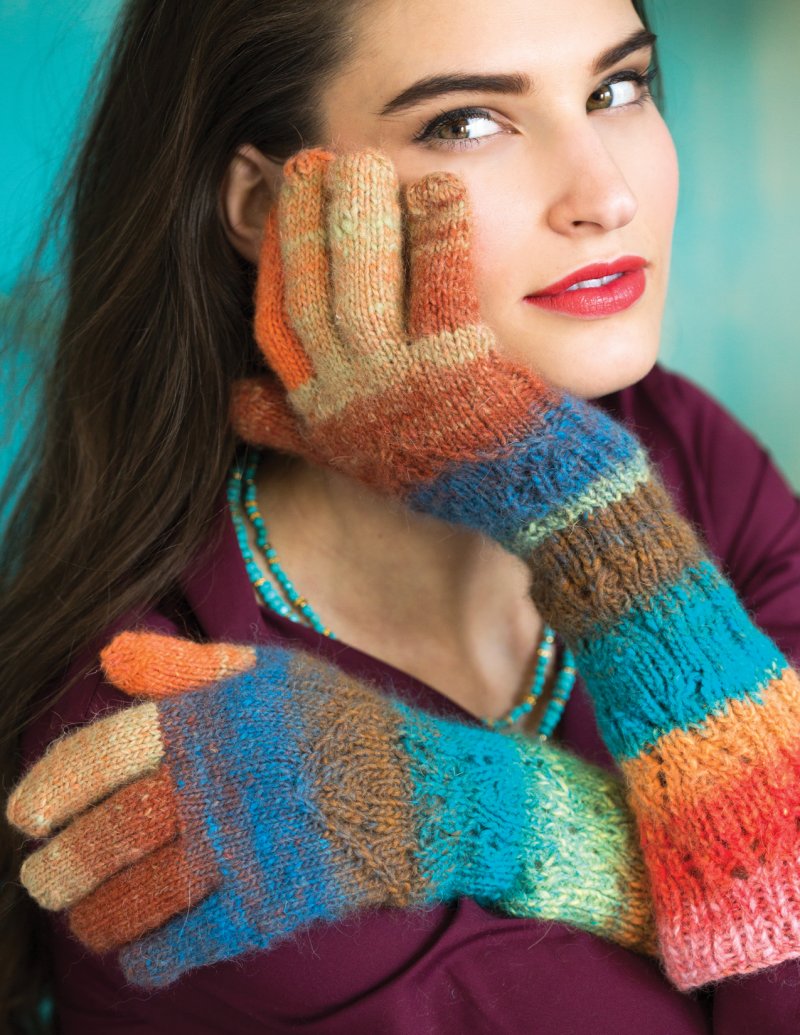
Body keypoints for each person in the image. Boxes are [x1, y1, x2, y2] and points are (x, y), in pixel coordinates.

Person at [1, 0, 799, 1032]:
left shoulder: (666, 455)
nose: (606, 194)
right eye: (465, 123)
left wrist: (480, 806)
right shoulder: (187, 746)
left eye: (617, 88)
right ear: (265, 206)